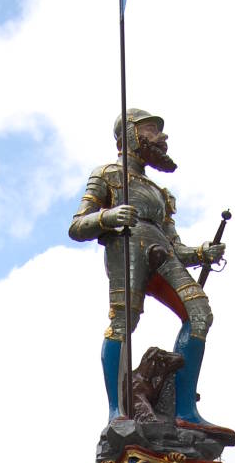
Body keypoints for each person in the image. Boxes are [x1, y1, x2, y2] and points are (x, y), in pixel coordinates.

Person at [69, 109, 226, 428]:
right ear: (129, 135)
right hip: (126, 246)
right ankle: (117, 410)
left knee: (198, 312)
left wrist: (201, 252)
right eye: (151, 130)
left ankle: (184, 409)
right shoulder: (107, 175)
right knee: (123, 321)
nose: (161, 137)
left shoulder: (161, 194)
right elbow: (77, 226)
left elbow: (175, 246)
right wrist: (108, 217)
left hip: (161, 251)